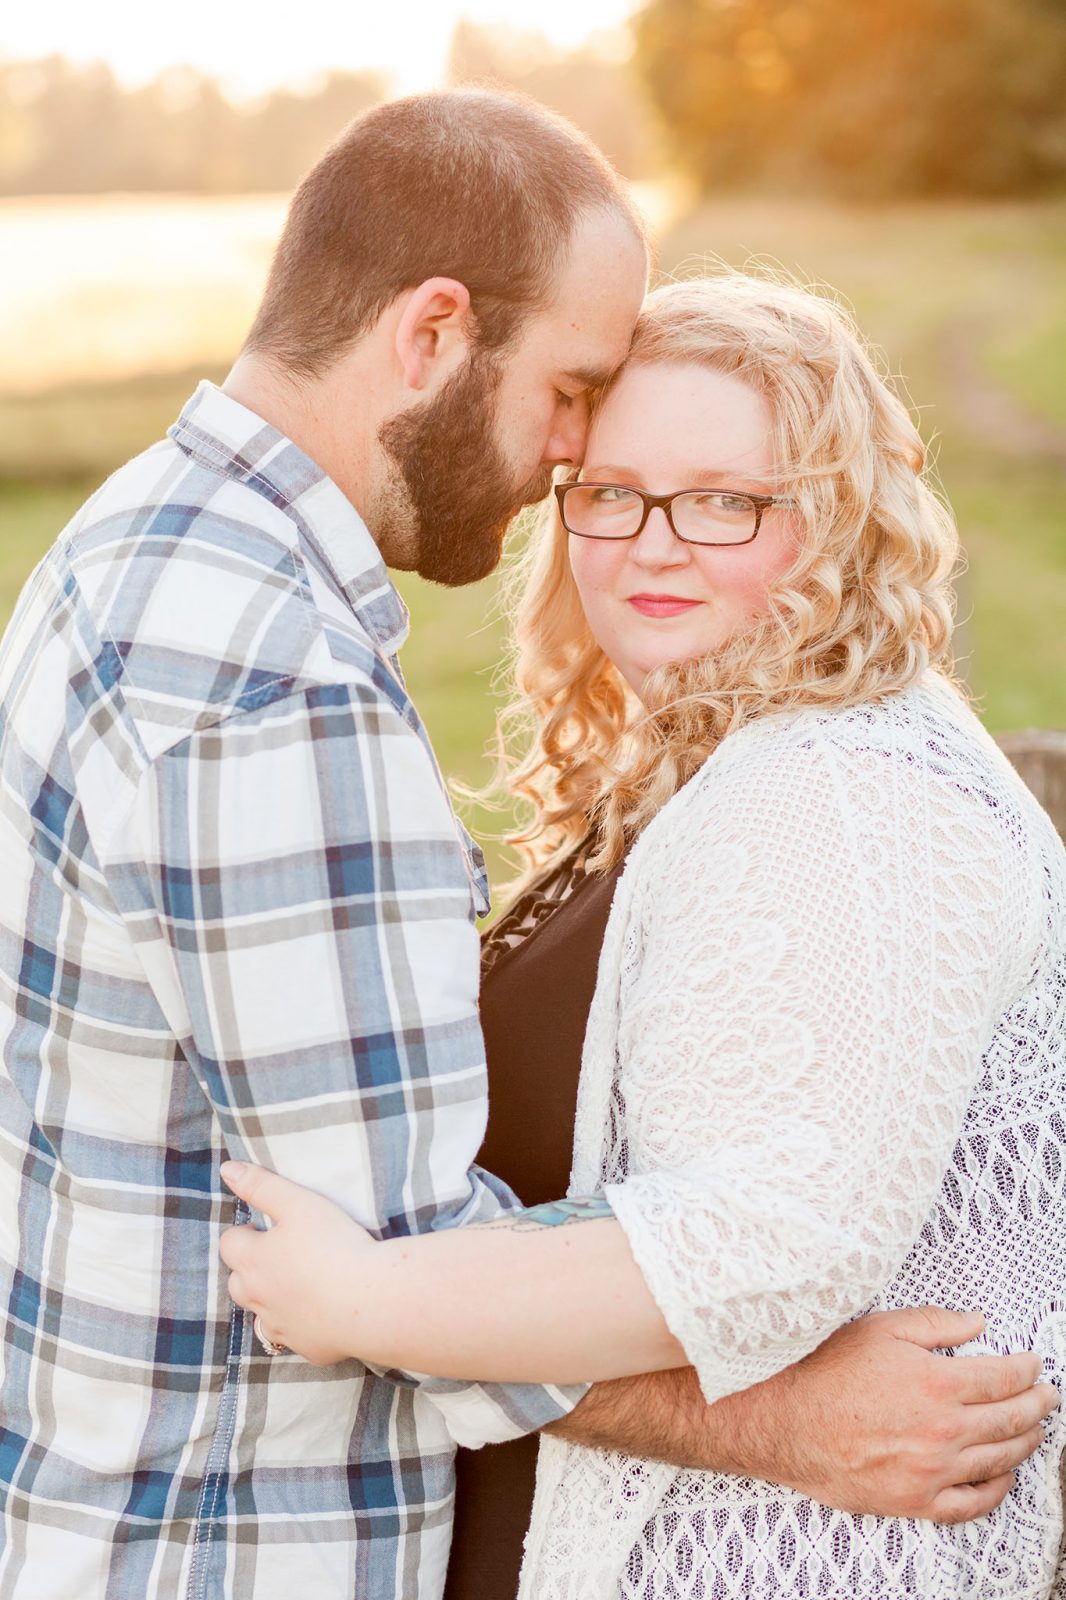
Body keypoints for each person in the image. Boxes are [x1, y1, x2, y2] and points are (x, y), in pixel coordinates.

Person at [220, 271, 1066, 1599]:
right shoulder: (707, 763)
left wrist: (363, 1305)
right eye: (610, 492)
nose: (653, 541)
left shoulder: (847, 795)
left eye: (725, 499)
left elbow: (759, 1250)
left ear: (837, 521)